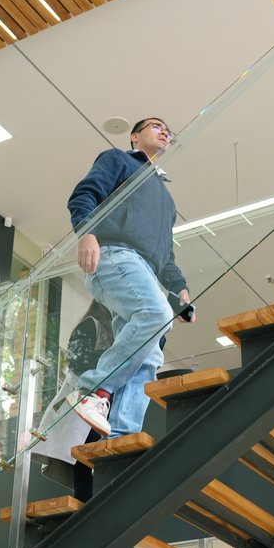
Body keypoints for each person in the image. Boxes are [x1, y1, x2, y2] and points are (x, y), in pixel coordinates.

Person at [65, 117, 195, 439]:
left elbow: (166, 254)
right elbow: (84, 195)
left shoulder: (167, 201)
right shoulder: (118, 160)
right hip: (115, 255)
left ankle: (121, 437)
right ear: (135, 136)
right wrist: (86, 233)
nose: (165, 132)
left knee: (150, 355)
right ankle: (93, 391)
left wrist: (179, 287)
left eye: (168, 130)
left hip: (145, 271)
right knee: (155, 314)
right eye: (156, 126)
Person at [34, 300, 114, 500]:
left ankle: (89, 504)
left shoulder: (110, 331)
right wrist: (114, 355)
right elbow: (77, 361)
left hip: (97, 407)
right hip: (82, 405)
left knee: (89, 460)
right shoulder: (91, 325)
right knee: (83, 458)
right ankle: (87, 505)